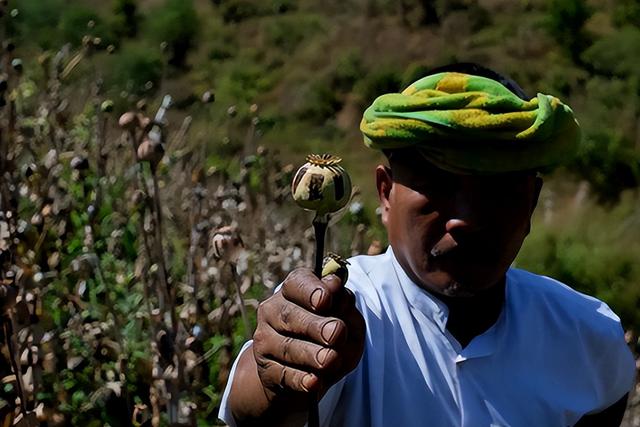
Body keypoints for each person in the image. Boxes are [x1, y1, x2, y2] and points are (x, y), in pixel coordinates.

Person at [218, 63, 636, 426]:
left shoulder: (588, 336)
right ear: (385, 194)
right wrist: (278, 379)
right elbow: (254, 409)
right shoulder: (338, 310)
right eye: (438, 184)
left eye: (496, 190)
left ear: (532, 203)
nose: (465, 219)